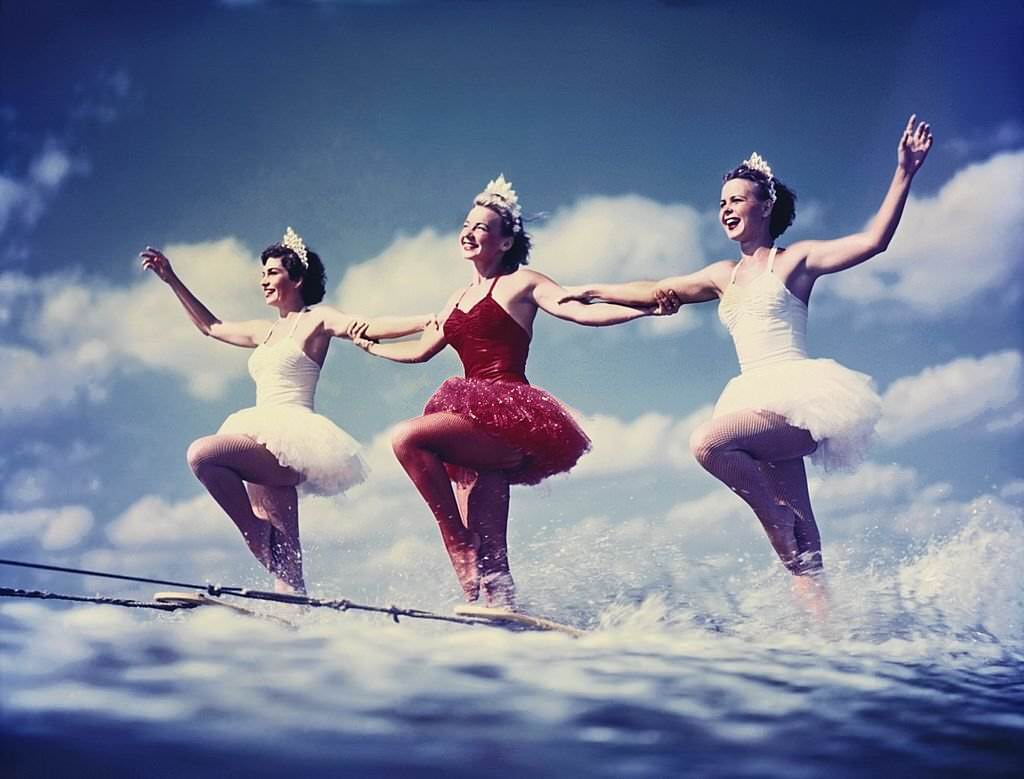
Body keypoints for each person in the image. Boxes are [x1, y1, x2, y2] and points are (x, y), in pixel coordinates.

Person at [562, 116, 934, 586]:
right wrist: (592, 290)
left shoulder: (796, 260)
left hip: (800, 400)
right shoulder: (723, 275)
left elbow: (872, 242)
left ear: (766, 206)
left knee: (708, 443)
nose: (726, 209)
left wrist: (904, 172)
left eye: (736, 199)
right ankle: (825, 620)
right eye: (722, 203)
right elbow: (657, 288)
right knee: (799, 547)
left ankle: (772, 513)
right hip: (752, 399)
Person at [350, 175, 668, 608]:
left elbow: (579, 312)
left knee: (407, 437)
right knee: (491, 558)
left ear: (504, 242)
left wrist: (643, 309)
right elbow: (421, 351)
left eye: (481, 227)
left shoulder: (523, 283)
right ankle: (501, 614)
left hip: (509, 416)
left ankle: (456, 539)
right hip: (468, 418)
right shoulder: (456, 297)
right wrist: (372, 347)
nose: (469, 231)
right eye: (466, 224)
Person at [141, 229, 429, 594]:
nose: (263, 280)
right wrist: (171, 279)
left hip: (294, 440)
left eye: (273, 272)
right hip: (260, 433)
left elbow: (367, 326)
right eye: (263, 273)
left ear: (297, 279)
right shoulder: (264, 331)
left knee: (203, 454)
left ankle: (256, 533)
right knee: (287, 570)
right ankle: (294, 609)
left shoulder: (316, 319)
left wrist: (426, 321)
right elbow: (211, 327)